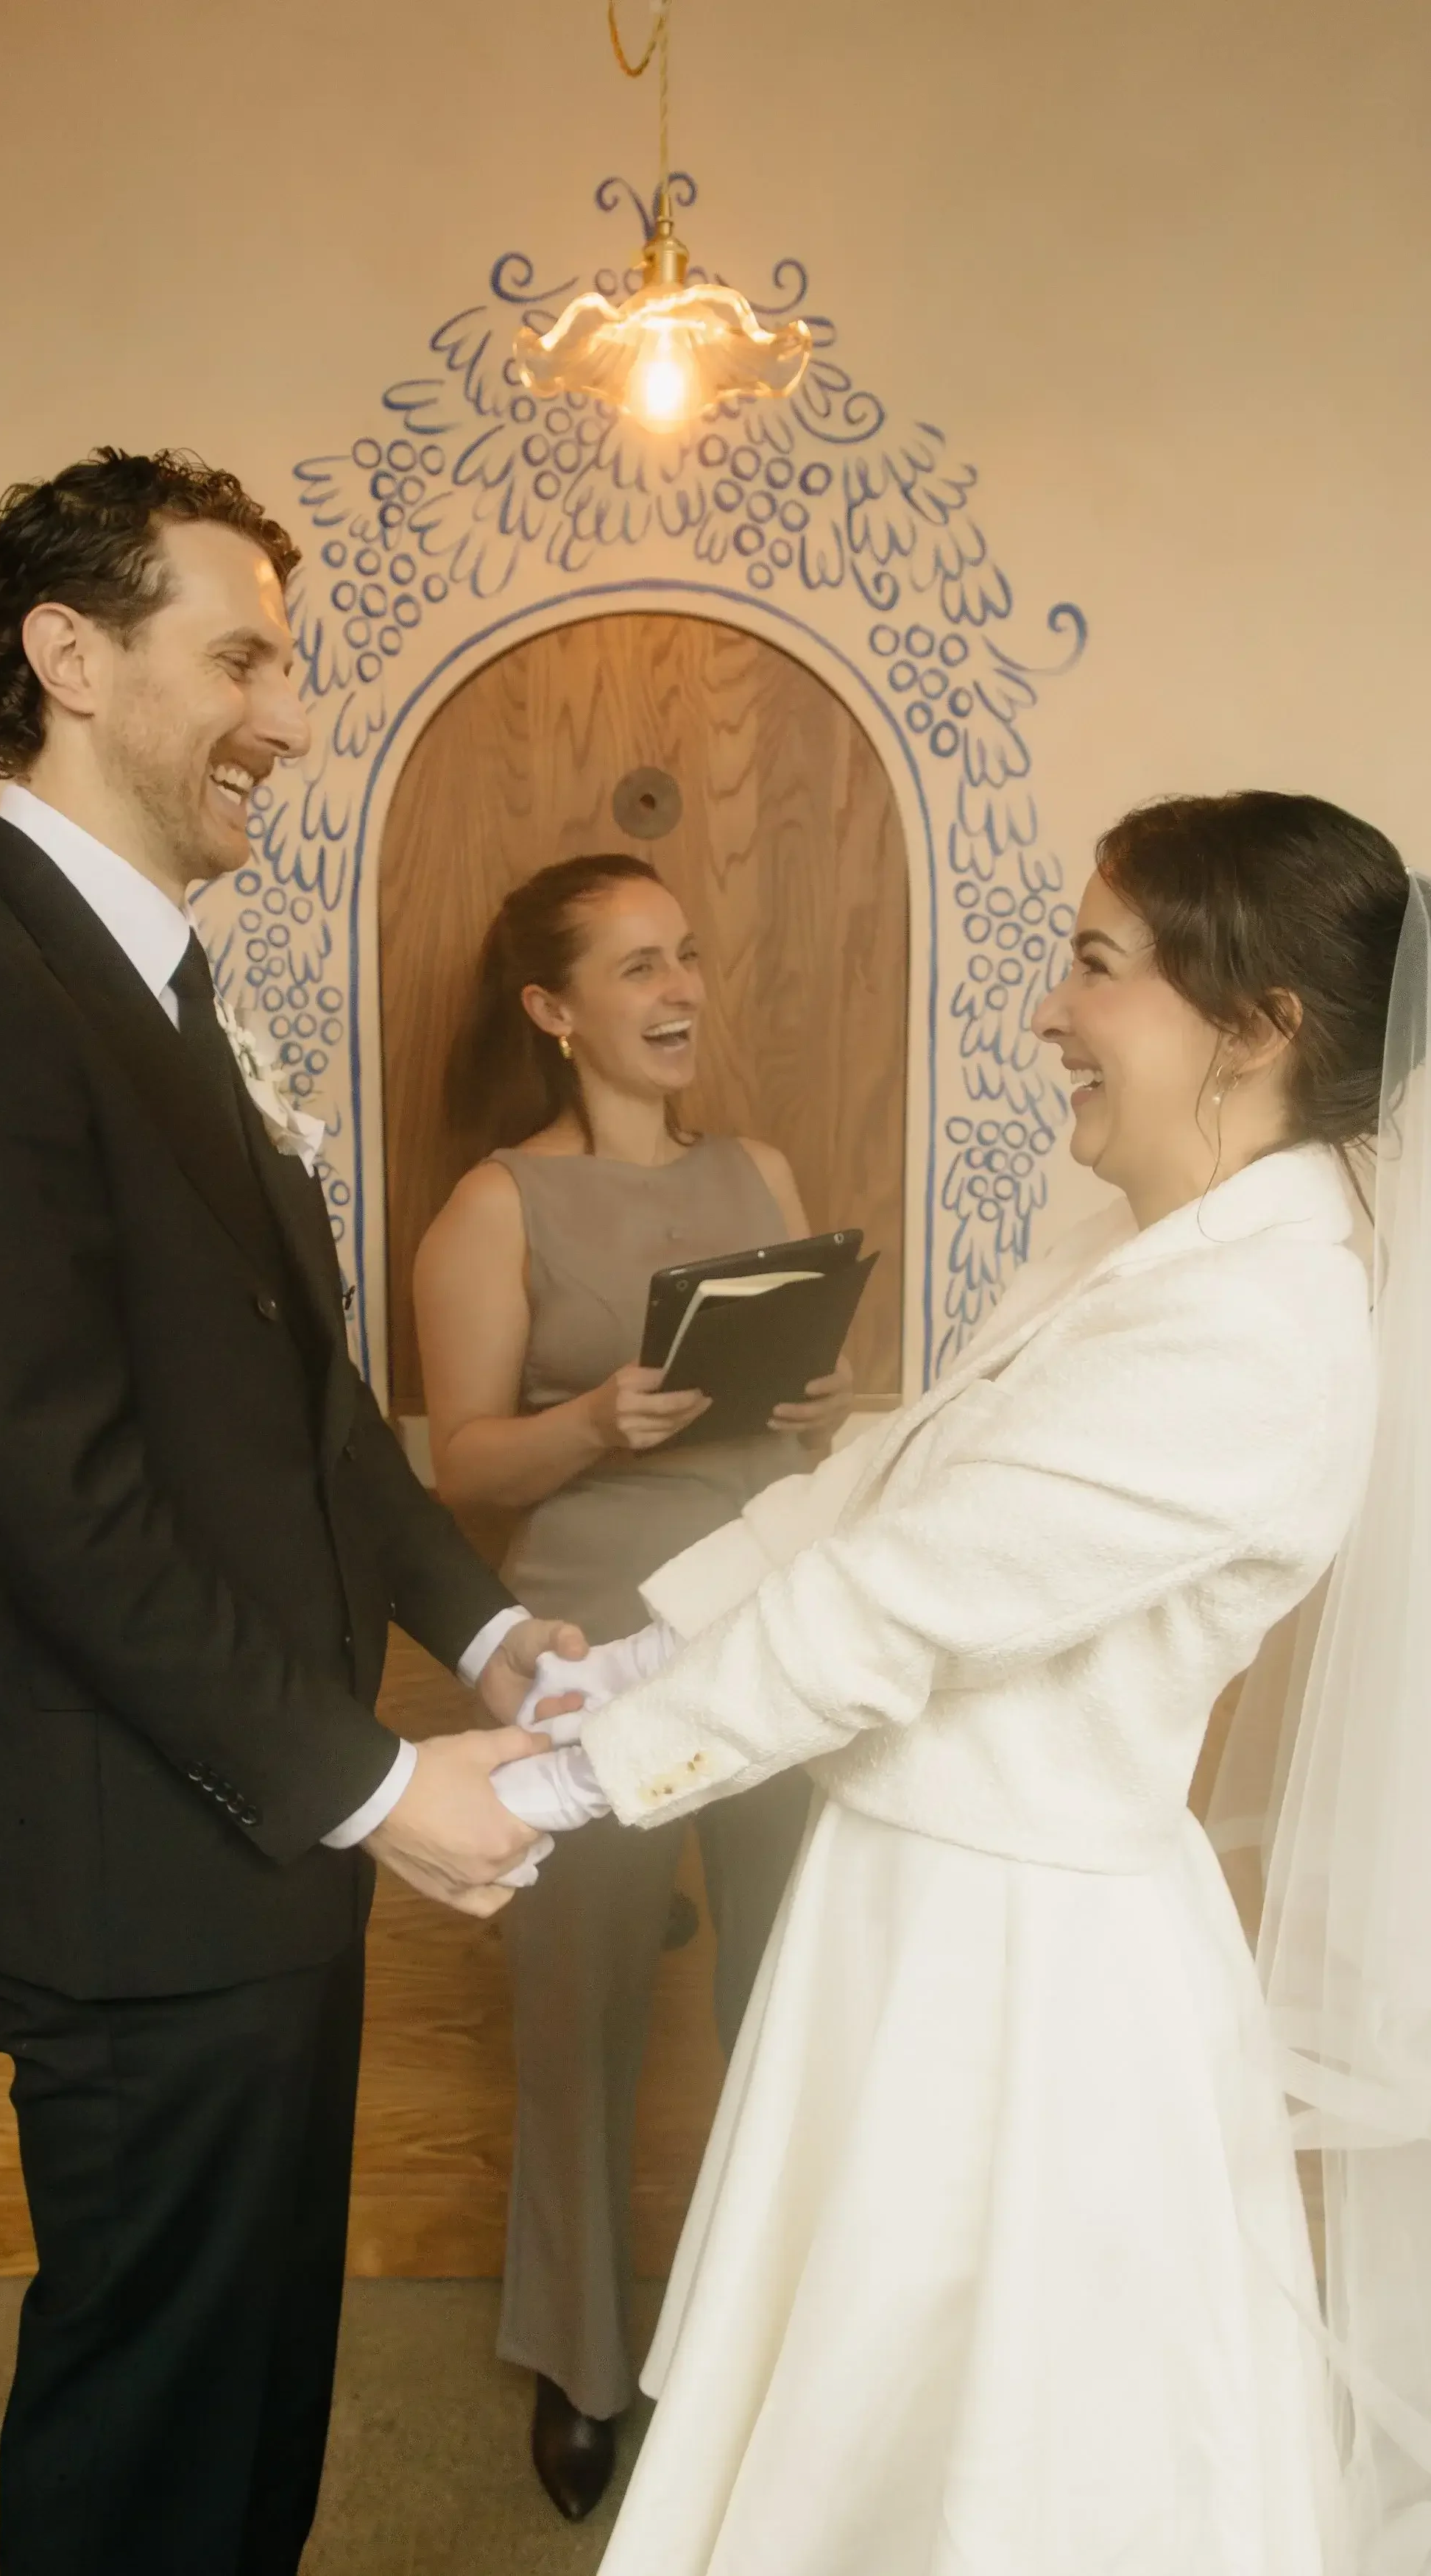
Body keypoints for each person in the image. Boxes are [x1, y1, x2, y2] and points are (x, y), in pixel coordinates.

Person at [502, 792, 1431, 2573]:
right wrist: (622, 1656)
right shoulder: (1135, 1252)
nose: (1044, 1016)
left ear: (1250, 1025)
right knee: (840, 2414)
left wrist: (560, 1781)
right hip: (916, 1904)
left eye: (1092, 965)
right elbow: (873, 1496)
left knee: (984, 2445)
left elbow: (909, 1600)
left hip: (1019, 1968)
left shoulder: (1258, 1324)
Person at [0, 447, 587, 2576]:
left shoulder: (159, 987)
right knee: (151, 2442)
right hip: (133, 1861)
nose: (291, 712)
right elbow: (50, 1494)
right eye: (239, 654)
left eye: (288, 660)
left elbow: (309, 1405)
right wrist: (362, 1779)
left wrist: (488, 1633)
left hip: (251, 1842)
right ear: (69, 654)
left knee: (249, 2412)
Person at [412, 852, 852, 2519]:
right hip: (589, 1641)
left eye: (687, 957)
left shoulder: (761, 1167)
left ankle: (765, 2354)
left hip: (776, 1624)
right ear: (551, 1008)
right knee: (579, 2016)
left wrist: (811, 1413)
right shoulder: (493, 1205)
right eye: (636, 966)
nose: (679, 991)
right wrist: (596, 1422)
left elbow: (795, 1377)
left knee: (783, 1998)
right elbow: (459, 1473)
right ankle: (582, 2363)